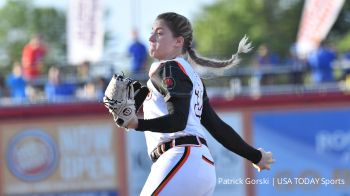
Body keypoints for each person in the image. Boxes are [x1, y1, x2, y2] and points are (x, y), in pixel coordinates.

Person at [118, 12, 274, 195]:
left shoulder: (168, 68)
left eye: (159, 33)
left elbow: (178, 121)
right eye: (152, 32)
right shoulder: (189, 75)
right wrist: (255, 156)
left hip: (180, 158)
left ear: (178, 41)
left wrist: (137, 124)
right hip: (198, 165)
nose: (151, 37)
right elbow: (216, 126)